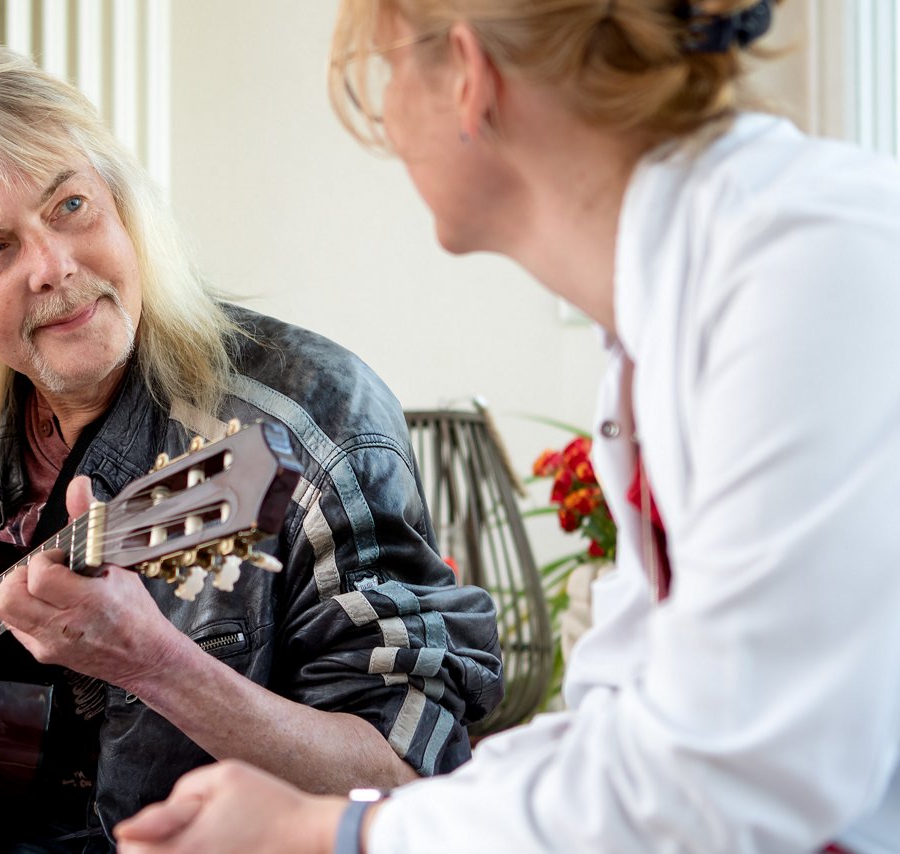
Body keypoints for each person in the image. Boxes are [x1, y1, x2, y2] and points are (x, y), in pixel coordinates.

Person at [113, 0, 900, 852]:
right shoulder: (671, 315)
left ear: (466, 76)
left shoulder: (807, 274)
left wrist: (331, 832)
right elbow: (623, 714)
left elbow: (730, 775)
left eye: (382, 69)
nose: (382, 120)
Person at [0, 45, 504, 853]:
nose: (55, 266)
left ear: (118, 200)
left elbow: (407, 777)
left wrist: (159, 665)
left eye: (69, 205)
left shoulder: (305, 425)